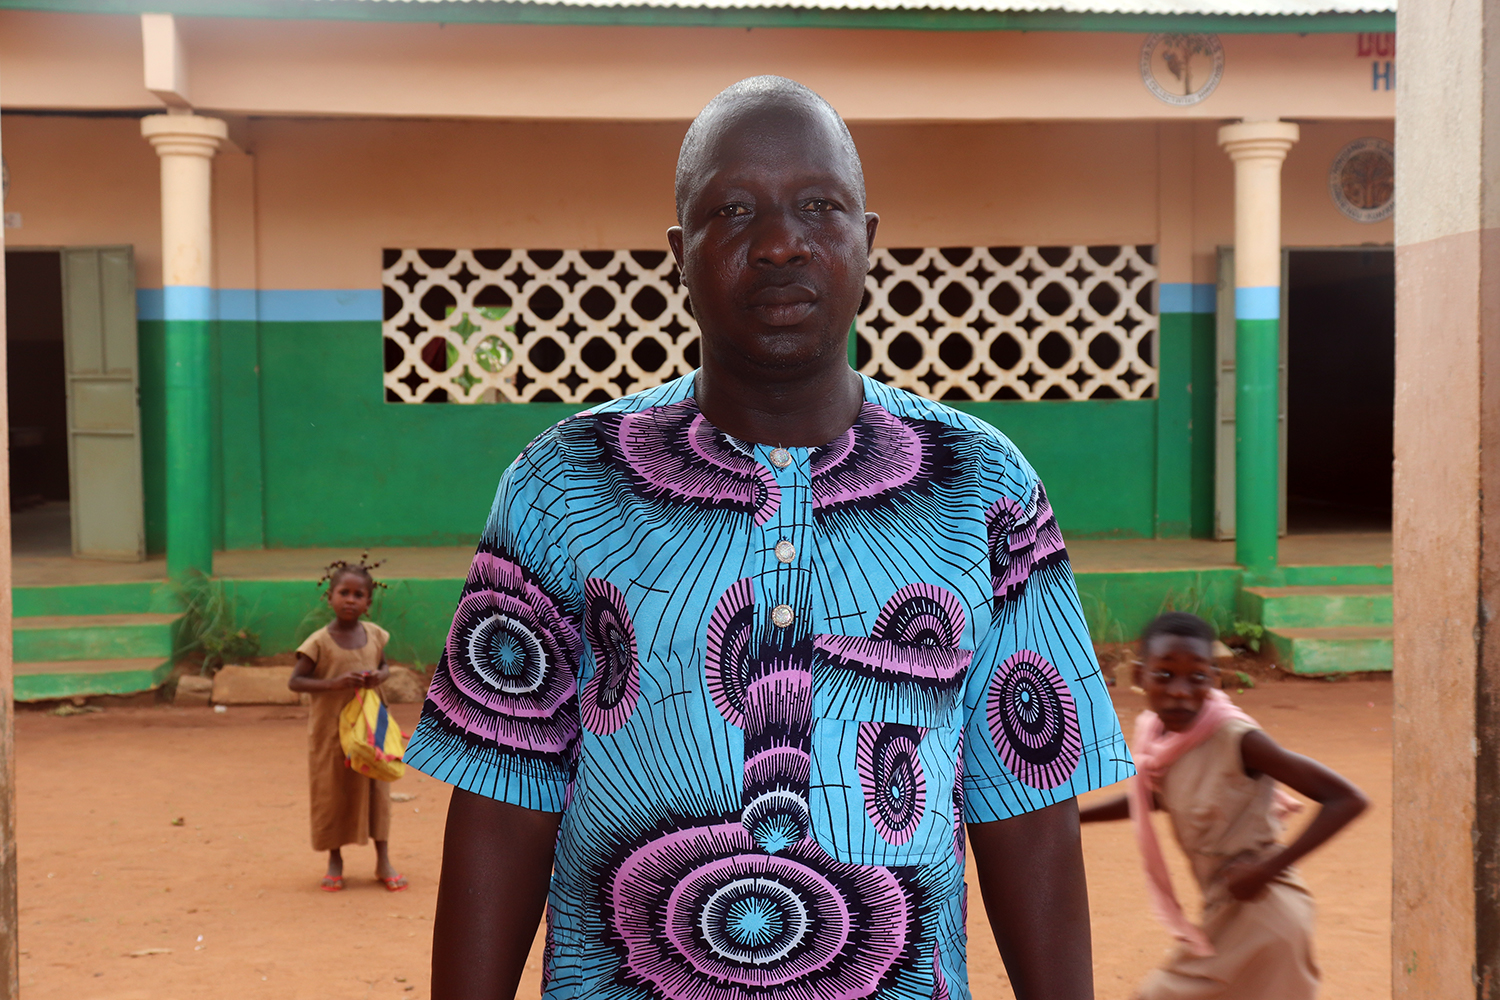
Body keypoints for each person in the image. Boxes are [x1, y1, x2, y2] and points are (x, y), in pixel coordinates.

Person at [405, 75, 1130, 1000]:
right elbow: (502, 808)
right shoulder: (563, 483)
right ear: (680, 253)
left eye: (820, 207)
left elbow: (1028, 811)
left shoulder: (982, 484)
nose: (783, 242)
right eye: (733, 209)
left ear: (867, 241)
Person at [1079, 612, 1368, 999]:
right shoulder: (1161, 736)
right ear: (1139, 676)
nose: (1180, 691)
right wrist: (1075, 818)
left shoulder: (1237, 739)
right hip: (1223, 916)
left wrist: (1265, 871)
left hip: (1266, 919)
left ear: (1213, 678)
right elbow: (1155, 798)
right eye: (1164, 674)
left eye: (1197, 677)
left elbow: (1346, 798)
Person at [287, 558, 407, 893]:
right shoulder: (317, 643)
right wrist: (334, 683)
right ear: (330, 597)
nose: (350, 600)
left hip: (372, 729)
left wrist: (377, 677)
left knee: (377, 789)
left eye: (358, 594)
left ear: (369, 603)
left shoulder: (375, 636)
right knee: (332, 791)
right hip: (330, 733)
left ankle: (383, 860)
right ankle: (334, 859)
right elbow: (295, 682)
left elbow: (383, 666)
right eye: (343, 593)